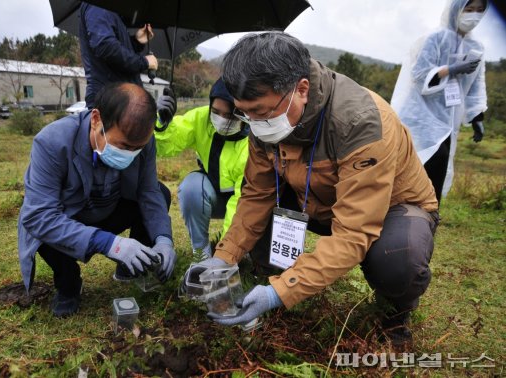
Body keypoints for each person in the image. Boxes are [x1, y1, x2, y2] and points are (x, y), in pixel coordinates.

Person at [182, 32, 439, 346]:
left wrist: (280, 292)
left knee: (398, 259)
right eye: (244, 113)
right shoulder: (265, 117)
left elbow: (354, 231)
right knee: (263, 210)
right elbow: (258, 193)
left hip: (389, 208)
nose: (253, 123)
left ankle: (396, 311)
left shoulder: (361, 122)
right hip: (316, 199)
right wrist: (225, 257)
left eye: (260, 113)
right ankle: (269, 271)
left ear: (301, 90)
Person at [18, 83, 176, 317]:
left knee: (161, 194)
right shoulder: (52, 142)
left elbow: (148, 191)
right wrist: (111, 244)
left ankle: (130, 266)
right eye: (123, 146)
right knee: (42, 232)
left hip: (109, 209)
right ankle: (69, 285)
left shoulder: (145, 140)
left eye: (137, 148)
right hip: (69, 218)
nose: (130, 154)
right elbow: (39, 216)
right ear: (96, 120)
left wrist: (164, 240)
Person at [391, 0, 488, 203]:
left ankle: (429, 219)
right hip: (420, 116)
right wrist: (451, 69)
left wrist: (477, 116)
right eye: (469, 10)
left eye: (480, 10)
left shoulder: (476, 47)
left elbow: (477, 84)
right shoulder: (435, 38)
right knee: (416, 166)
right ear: (456, 10)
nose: (474, 16)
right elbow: (418, 76)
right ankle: (403, 217)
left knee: (439, 169)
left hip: (447, 118)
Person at [155, 79, 249, 259]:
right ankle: (201, 251)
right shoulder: (200, 118)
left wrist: (226, 250)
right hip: (211, 193)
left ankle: (239, 249)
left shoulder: (253, 141)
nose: (221, 120)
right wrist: (163, 124)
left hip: (243, 202)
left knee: (244, 232)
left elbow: (242, 201)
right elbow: (166, 147)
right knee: (191, 187)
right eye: (215, 112)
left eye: (229, 115)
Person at [79, 2, 158, 108]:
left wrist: (136, 42)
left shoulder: (110, 8)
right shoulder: (98, 5)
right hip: (111, 101)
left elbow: (112, 48)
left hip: (118, 99)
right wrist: (144, 62)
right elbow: (105, 46)